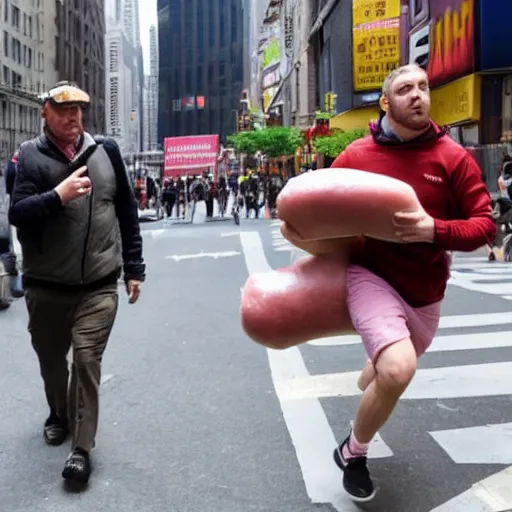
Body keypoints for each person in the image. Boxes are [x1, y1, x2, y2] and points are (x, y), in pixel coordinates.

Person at [329, 64, 495, 502]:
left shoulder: (453, 157)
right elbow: (319, 204)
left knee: (383, 373)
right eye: (405, 89)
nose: (418, 95)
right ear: (387, 102)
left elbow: (484, 227)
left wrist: (433, 231)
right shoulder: (356, 156)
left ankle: (375, 384)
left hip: (425, 292)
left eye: (423, 87)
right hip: (371, 276)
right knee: (399, 368)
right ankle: (354, 452)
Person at [9, 81, 145, 484]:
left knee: (86, 363)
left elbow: (126, 210)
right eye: (63, 109)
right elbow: (18, 213)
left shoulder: (106, 151)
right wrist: (58, 196)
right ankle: (58, 413)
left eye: (78, 110)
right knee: (53, 364)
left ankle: (81, 449)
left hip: (99, 283)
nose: (72, 117)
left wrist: (134, 267)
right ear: (44, 113)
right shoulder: (26, 159)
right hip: (46, 286)